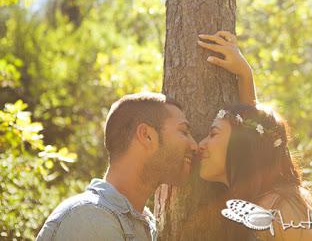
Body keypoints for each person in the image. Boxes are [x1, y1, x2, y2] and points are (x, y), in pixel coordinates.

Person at [37, 30, 255, 241]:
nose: (194, 144)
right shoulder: (90, 219)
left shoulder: (142, 224)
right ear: (147, 136)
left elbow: (252, 158)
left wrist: (245, 77)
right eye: (183, 131)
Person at [197, 35, 312, 241]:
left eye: (213, 134)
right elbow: (253, 134)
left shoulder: (278, 208)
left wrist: (246, 75)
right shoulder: (261, 204)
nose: (201, 144)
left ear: (242, 145)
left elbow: (251, 134)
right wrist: (245, 77)